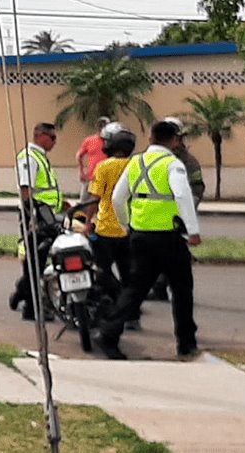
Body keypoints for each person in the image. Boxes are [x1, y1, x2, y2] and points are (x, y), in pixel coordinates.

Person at [96, 120, 203, 361]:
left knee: (135, 290)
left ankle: (108, 334)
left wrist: (126, 224)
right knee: (182, 290)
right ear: (174, 140)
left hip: (140, 236)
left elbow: (117, 198)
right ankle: (186, 343)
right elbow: (183, 197)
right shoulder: (172, 165)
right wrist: (193, 231)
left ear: (150, 139)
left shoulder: (135, 162)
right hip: (169, 237)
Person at [81, 123, 140, 329]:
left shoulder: (104, 167)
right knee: (129, 274)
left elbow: (94, 198)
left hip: (106, 229)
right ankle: (132, 315)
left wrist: (88, 222)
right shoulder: (136, 165)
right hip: (130, 228)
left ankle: (111, 306)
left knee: (102, 271)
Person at [8, 122, 67, 320]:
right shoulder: (29, 157)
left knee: (38, 262)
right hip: (36, 217)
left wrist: (62, 204)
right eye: (52, 138)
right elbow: (26, 192)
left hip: (48, 216)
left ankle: (21, 293)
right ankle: (32, 310)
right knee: (34, 264)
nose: (55, 142)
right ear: (40, 136)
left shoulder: (40, 157)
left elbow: (44, 190)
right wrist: (32, 218)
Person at [148, 115, 206, 301]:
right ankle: (158, 287)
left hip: (178, 218)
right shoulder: (152, 158)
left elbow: (197, 187)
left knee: (175, 255)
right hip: (155, 215)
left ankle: (168, 288)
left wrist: (188, 210)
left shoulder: (189, 162)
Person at [77, 117, 111, 200]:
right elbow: (79, 155)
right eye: (101, 126)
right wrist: (81, 172)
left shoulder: (111, 141)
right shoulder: (89, 140)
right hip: (91, 178)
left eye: (105, 126)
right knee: (83, 204)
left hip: (106, 179)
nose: (102, 128)